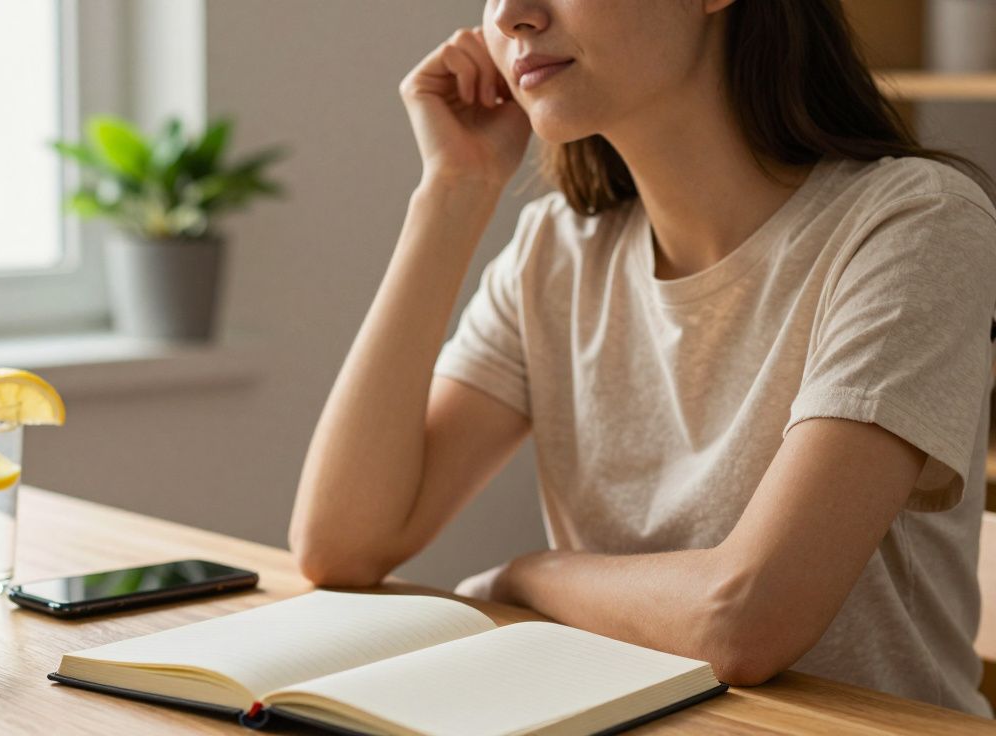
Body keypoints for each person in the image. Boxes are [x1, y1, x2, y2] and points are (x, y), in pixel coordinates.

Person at [288, 0, 996, 716]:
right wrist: (453, 189)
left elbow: (744, 621)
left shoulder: (915, 225)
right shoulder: (556, 251)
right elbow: (340, 544)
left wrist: (530, 577)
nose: (510, 16)